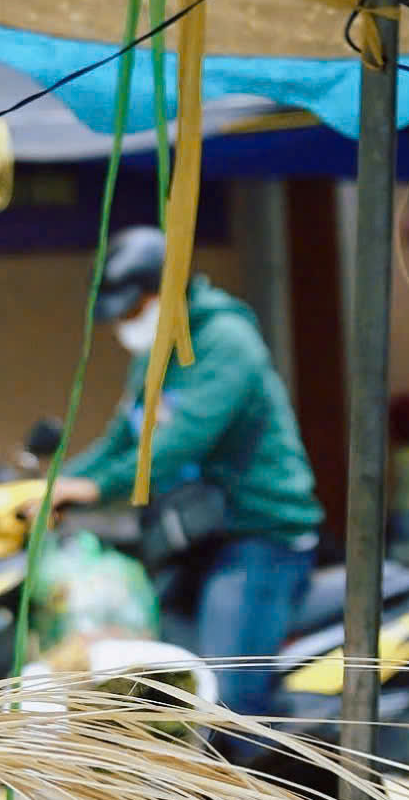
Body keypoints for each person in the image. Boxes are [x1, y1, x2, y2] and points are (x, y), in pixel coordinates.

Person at [58, 228, 321, 715]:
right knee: (168, 689)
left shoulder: (227, 341)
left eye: (133, 309)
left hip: (259, 537)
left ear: (168, 290)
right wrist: (54, 486)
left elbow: (178, 444)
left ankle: (267, 784)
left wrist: (94, 487)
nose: (125, 324)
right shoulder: (154, 355)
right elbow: (121, 440)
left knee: (226, 703)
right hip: (194, 540)